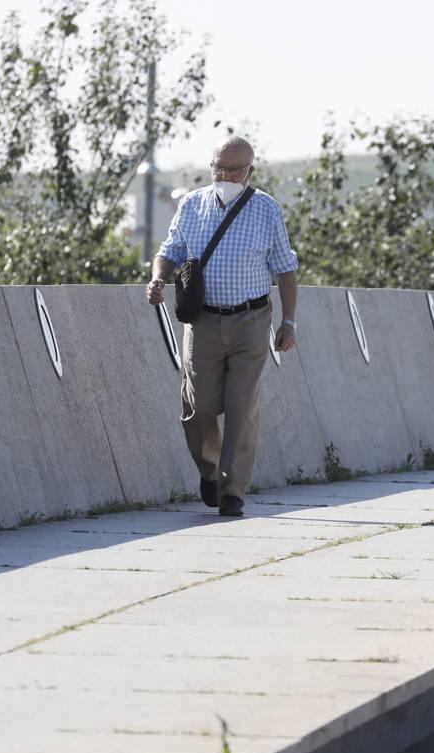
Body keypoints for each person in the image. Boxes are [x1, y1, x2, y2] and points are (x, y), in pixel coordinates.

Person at [145, 136, 299, 517]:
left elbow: (285, 268)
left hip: (251, 319)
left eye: (233, 169)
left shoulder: (265, 210)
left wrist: (289, 322)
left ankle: (233, 490)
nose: (225, 175)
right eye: (218, 167)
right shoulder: (192, 205)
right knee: (198, 408)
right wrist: (159, 279)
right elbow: (170, 250)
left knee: (241, 406)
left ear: (250, 170)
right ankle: (210, 470)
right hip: (203, 321)